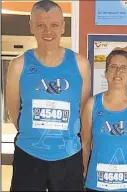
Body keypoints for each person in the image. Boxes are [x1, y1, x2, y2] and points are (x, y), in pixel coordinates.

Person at [6, 0, 91, 191]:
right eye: (40, 25)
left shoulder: (81, 65)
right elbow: (14, 113)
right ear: (31, 27)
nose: (48, 32)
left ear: (63, 27)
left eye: (53, 25)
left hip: (68, 157)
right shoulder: (18, 66)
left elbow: (82, 112)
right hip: (28, 155)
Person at [81, 50, 127, 191]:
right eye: (113, 67)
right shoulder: (92, 104)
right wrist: (84, 172)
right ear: (106, 73)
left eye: (123, 68)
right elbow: (85, 144)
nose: (118, 72)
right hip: (96, 183)